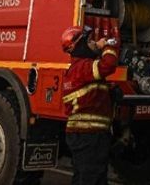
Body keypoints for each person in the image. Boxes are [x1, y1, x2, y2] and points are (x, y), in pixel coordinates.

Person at [61, 25, 119, 185]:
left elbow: (88, 96)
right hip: (88, 136)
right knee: (90, 178)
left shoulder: (77, 69)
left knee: (88, 177)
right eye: (89, 40)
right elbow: (108, 64)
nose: (93, 43)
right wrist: (107, 46)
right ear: (78, 46)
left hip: (85, 135)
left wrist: (109, 90)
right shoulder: (83, 67)